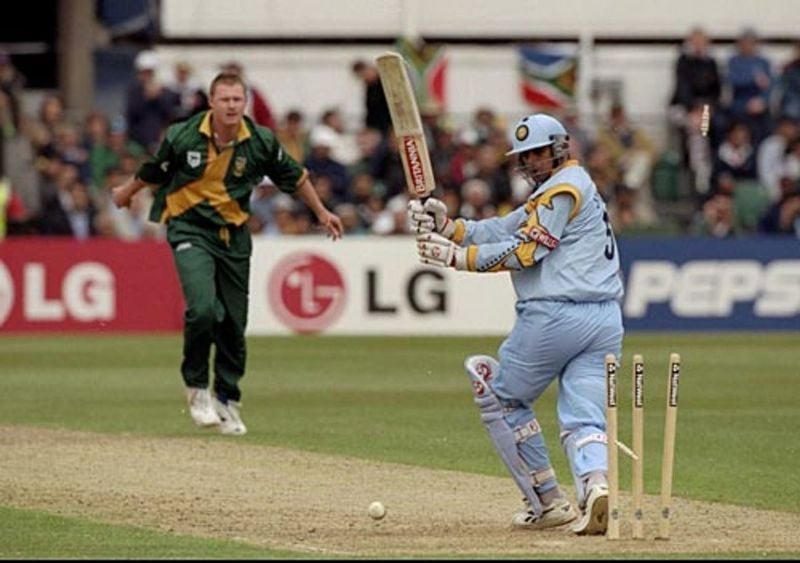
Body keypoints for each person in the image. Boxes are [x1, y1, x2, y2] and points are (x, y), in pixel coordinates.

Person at [409, 113, 624, 535]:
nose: (532, 162)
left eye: (540, 153)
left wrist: (457, 259)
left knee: (502, 398)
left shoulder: (561, 190)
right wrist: (449, 228)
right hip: (604, 320)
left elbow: (526, 253)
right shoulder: (566, 189)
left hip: (555, 315)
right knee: (585, 416)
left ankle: (547, 502)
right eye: (526, 156)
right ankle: (595, 486)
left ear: (559, 148)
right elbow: (502, 228)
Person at [112, 72, 343, 435]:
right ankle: (196, 388)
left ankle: (228, 400)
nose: (232, 106)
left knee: (233, 324)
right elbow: (155, 169)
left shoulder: (260, 141)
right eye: (225, 99)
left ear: (245, 102)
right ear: (211, 101)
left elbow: (296, 177)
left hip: (234, 237)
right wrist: (127, 190)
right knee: (203, 308)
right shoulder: (183, 135)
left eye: (238, 99)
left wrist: (321, 212)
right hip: (189, 229)